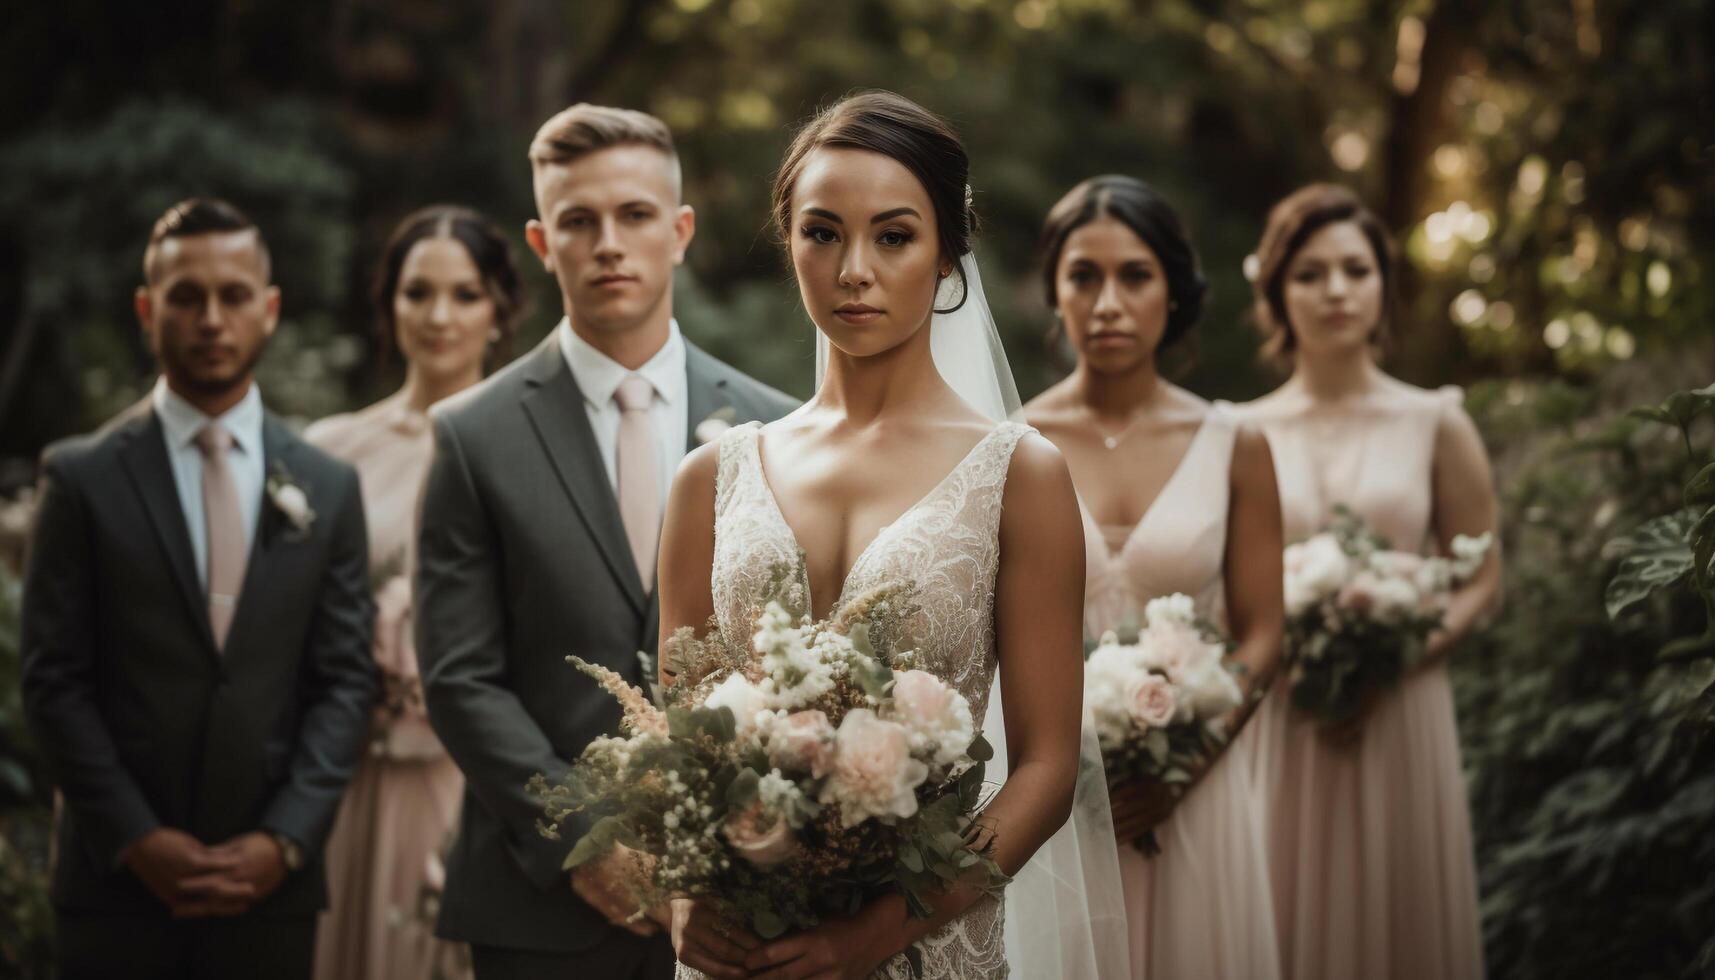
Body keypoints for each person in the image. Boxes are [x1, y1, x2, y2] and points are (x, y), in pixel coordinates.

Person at [657, 90, 1088, 980]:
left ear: (945, 255)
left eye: (893, 236)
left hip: (922, 946)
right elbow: (679, 739)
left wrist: (876, 935)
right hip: (743, 948)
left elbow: (1046, 768)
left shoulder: (1021, 473)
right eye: (823, 233)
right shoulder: (709, 477)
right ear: (790, 244)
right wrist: (681, 900)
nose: (854, 268)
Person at [415, 104, 797, 980]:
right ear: (542, 243)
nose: (608, 244)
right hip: (537, 900)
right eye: (578, 221)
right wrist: (586, 842)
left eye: (633, 215)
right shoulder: (470, 436)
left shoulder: (775, 427)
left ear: (680, 230)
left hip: (746, 892)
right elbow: (459, 676)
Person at [20, 198, 378, 980]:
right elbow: (54, 681)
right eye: (186, 297)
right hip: (116, 889)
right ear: (148, 310)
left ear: (270, 308)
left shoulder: (327, 484)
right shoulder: (80, 478)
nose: (211, 318)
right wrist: (135, 838)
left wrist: (283, 839)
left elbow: (346, 680)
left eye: (233, 295)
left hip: (271, 892)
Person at [1023, 174, 1284, 979]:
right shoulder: (1009, 444)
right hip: (1053, 810)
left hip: (1196, 796)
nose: (1107, 303)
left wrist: (1183, 764)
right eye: (1083, 276)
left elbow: (1263, 629)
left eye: (1133, 276)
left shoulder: (1233, 441)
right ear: (1055, 295)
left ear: (1172, 290)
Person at [1236, 183, 1499, 980]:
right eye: (1310, 273)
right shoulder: (1237, 432)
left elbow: (1481, 575)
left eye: (1355, 269)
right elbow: (1226, 591)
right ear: (1278, 291)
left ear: (1383, 284)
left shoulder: (1435, 421)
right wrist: (1289, 665)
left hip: (1400, 710)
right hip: (1283, 714)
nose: (1335, 290)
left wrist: (1393, 660)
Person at [306, 205, 525, 980]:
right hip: (347, 773)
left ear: (500, 308)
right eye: (417, 293)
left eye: (465, 295)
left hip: (469, 780)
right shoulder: (330, 452)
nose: (439, 317)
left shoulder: (528, 450)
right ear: (387, 304)